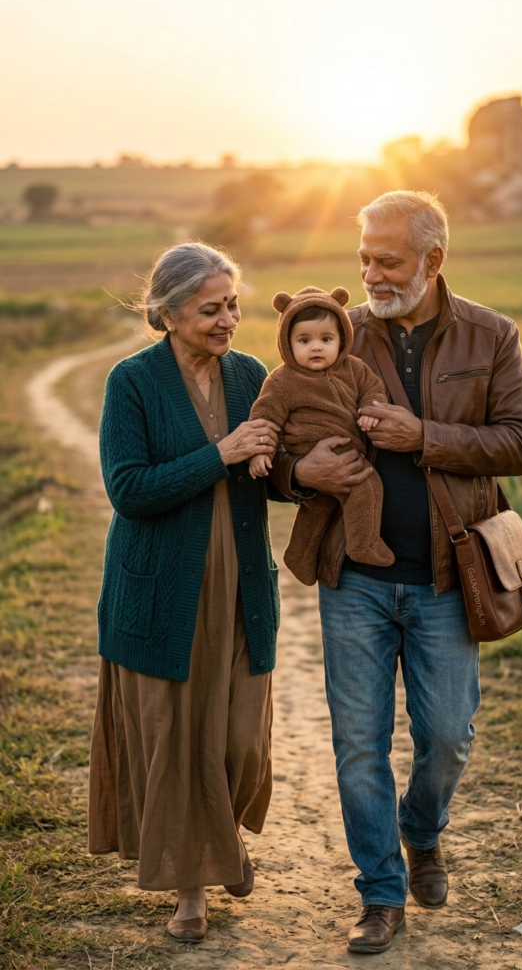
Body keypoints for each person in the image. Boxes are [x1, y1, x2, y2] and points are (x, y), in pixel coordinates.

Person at [271, 191, 522, 954]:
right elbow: (275, 433)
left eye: (387, 261)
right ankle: (381, 893)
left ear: (433, 259)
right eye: (364, 258)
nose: (371, 275)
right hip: (351, 577)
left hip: (450, 577)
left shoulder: (492, 335)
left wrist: (424, 435)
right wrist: (299, 473)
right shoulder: (334, 330)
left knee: (448, 736)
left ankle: (421, 830)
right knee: (359, 743)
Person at [88, 242, 284, 943]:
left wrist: (299, 465)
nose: (228, 319)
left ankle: (221, 841)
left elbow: (273, 468)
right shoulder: (132, 382)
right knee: (177, 743)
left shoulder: (251, 375)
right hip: (162, 595)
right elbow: (129, 489)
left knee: (240, 741)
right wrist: (220, 455)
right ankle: (192, 892)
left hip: (240, 588)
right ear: (167, 314)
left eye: (232, 304)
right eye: (210, 310)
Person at [248, 285, 394, 585]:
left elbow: (373, 389)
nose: (316, 347)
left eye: (326, 339)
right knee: (367, 485)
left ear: (342, 339)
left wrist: (371, 409)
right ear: (287, 343)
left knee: (318, 507)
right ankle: (363, 544)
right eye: (304, 340)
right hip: (309, 450)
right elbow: (264, 418)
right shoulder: (283, 381)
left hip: (347, 450)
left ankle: (299, 556)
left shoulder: (354, 369)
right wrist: (260, 452)